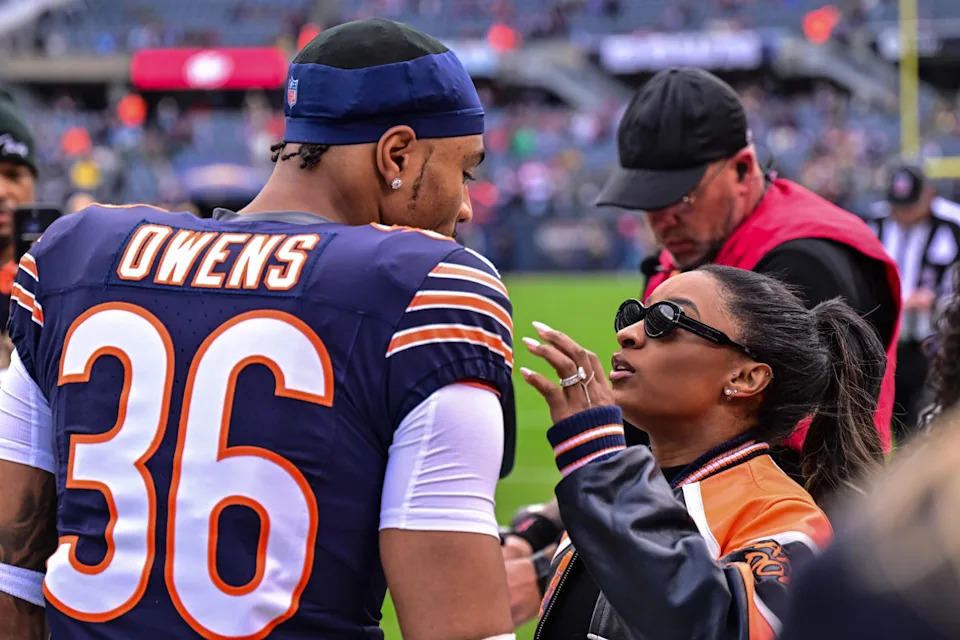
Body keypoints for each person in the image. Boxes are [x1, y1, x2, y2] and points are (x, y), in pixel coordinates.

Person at [0, 19, 517, 640]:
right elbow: (460, 630)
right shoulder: (425, 286)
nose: (464, 205)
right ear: (396, 155)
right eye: (465, 172)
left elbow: (13, 576)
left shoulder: (73, 255)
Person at [500, 67, 902, 625]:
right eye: (645, 199)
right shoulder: (689, 261)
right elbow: (657, 448)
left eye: (679, 196)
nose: (661, 219)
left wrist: (563, 563)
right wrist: (546, 528)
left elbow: (754, 474)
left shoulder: (805, 261)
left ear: (742, 168)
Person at [518, 265, 886, 640]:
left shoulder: (780, 517)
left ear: (745, 378)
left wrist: (602, 466)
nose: (626, 334)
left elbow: (722, 628)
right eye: (636, 315)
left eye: (665, 321)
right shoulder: (615, 491)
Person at [866, 165, 960, 438]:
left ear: (929, 195)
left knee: (930, 421)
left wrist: (939, 300)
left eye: (911, 206)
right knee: (893, 419)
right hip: (888, 339)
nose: (904, 215)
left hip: (937, 341)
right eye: (899, 207)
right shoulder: (875, 222)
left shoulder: (952, 224)